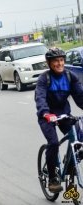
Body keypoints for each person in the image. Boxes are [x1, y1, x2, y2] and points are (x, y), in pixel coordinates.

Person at [35, 47, 83, 193]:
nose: (59, 63)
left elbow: (80, 97)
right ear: (49, 63)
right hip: (47, 116)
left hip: (63, 114)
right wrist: (45, 113)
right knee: (54, 143)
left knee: (79, 138)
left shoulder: (70, 77)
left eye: (61, 60)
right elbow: (40, 97)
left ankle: (71, 163)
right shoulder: (44, 78)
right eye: (56, 61)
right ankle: (52, 178)